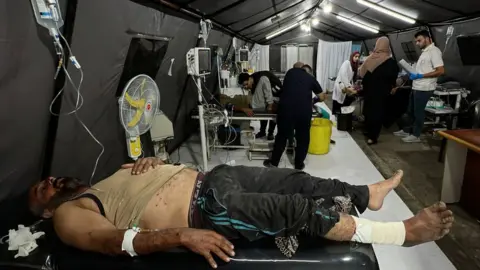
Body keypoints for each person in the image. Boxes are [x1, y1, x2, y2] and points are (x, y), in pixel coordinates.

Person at [29, 157, 453, 269]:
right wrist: (180, 236)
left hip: (216, 176)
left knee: (299, 181)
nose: (49, 181)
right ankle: (402, 233)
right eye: (40, 190)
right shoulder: (70, 214)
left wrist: (153, 161)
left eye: (46, 178)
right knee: (291, 208)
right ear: (45, 212)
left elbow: (144, 184)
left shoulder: (104, 179)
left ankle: (367, 193)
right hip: (206, 208)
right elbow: (115, 242)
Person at [264, 62, 326, 170]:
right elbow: (322, 97)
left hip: (286, 110)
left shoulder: (289, 74)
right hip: (303, 112)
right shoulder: (310, 78)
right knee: (303, 138)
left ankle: (274, 163)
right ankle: (298, 164)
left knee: (282, 136)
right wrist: (313, 100)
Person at [394, 30, 445, 143]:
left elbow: (440, 71)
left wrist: (421, 75)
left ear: (427, 39)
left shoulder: (434, 51)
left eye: (419, 40)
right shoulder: (425, 52)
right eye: (416, 41)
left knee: (418, 112)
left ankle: (416, 135)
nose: (417, 43)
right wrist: (413, 73)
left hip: (425, 88)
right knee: (410, 111)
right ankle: (407, 130)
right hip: (417, 86)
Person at [359, 37, 399, 145]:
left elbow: (362, 73)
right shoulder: (390, 62)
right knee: (377, 114)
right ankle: (373, 137)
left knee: (368, 112)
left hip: (369, 91)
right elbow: (393, 77)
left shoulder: (371, 58)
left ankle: (368, 132)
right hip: (381, 93)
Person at [238, 71, 283, 140]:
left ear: (249, 79)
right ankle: (262, 132)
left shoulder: (262, 78)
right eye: (244, 86)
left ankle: (270, 133)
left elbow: (267, 91)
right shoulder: (253, 82)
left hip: (277, 93)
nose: (246, 87)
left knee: (272, 112)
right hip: (269, 94)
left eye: (246, 84)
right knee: (262, 107)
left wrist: (270, 104)